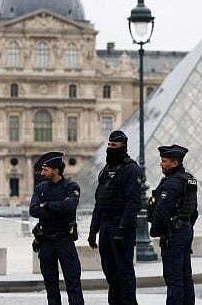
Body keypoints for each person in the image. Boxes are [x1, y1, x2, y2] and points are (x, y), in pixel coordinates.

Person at [88, 130, 142, 305]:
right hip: (105, 227)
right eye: (109, 145)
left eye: (114, 145)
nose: (110, 148)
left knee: (124, 272)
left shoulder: (131, 169)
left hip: (121, 228)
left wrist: (122, 228)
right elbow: (99, 202)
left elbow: (133, 203)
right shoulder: (105, 170)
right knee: (110, 272)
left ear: (123, 147)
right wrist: (93, 230)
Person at [30, 151, 84, 305]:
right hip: (45, 242)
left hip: (64, 240)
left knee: (73, 284)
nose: (41, 173)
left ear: (56, 169)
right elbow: (33, 210)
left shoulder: (71, 186)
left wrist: (46, 205)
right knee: (50, 287)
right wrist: (57, 209)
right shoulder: (40, 188)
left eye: (45, 169)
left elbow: (69, 206)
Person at [148, 144, 198, 305]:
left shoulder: (171, 184)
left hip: (173, 235)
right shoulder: (188, 180)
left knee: (173, 279)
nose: (161, 164)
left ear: (174, 163)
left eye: (164, 161)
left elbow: (161, 213)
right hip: (185, 231)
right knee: (186, 277)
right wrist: (185, 225)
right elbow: (194, 211)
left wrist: (155, 231)